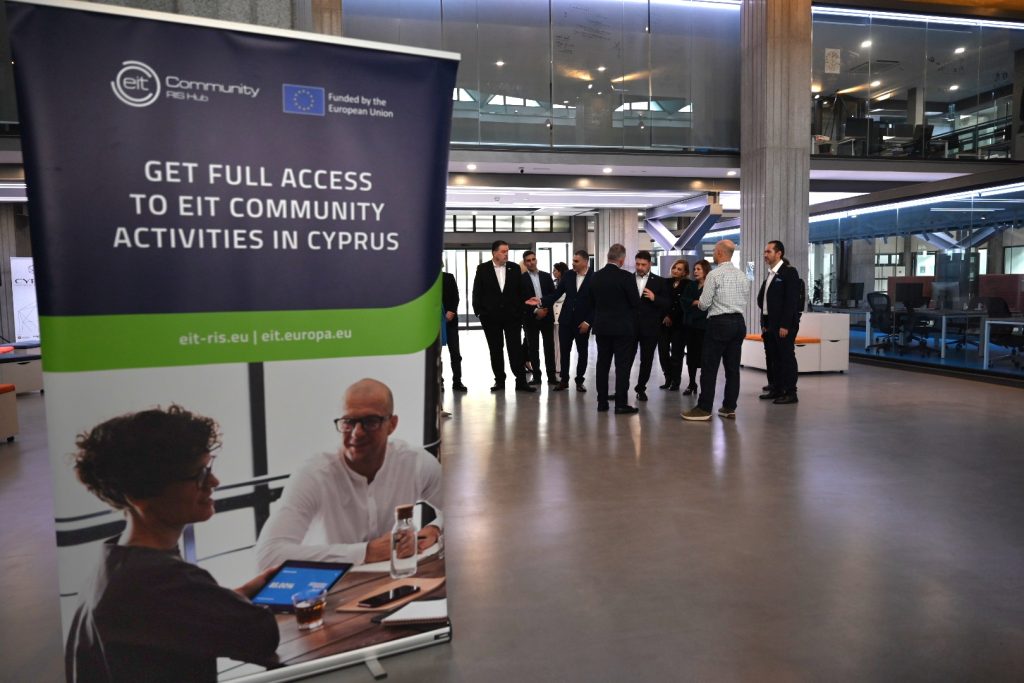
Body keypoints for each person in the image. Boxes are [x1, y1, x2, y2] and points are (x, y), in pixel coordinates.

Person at [65, 406, 279, 683]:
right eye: (198, 475)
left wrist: (236, 595)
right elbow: (261, 633)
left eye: (209, 468)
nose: (213, 482)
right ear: (140, 496)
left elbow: (165, 615)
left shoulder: (115, 561)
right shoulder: (158, 578)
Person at [256, 379, 443, 570]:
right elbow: (268, 557)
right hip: (328, 586)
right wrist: (366, 552)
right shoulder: (314, 475)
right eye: (348, 422)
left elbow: (459, 511)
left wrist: (436, 529)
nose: (357, 433)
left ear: (392, 424)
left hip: (395, 581)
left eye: (370, 422)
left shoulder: (415, 462)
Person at [682, 239, 750, 421]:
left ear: (720, 252)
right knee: (732, 369)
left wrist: (699, 303)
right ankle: (729, 407)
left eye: (714, 251)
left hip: (719, 323)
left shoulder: (714, 275)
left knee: (709, 367)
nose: (713, 253)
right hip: (739, 323)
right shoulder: (742, 275)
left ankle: (704, 408)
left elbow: (704, 304)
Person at [471, 240, 535, 392]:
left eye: (507, 251)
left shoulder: (514, 268)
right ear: (494, 253)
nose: (506, 254)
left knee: (515, 349)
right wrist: (479, 312)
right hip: (490, 318)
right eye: (503, 251)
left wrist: (522, 308)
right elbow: (477, 291)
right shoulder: (483, 269)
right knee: (495, 349)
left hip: (512, 317)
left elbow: (521, 291)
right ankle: (499, 381)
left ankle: (521, 381)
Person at [588, 243, 641, 414]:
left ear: (608, 257)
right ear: (622, 260)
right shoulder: (626, 277)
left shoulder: (595, 276)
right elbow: (635, 302)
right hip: (622, 328)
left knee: (602, 364)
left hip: (602, 327)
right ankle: (620, 404)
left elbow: (591, 302)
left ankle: (602, 402)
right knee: (622, 366)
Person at [534, 250, 594, 392]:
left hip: (582, 323)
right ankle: (564, 380)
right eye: (573, 260)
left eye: (576, 261)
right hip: (566, 320)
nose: (573, 263)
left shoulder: (595, 277)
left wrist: (588, 321)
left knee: (582, 352)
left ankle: (579, 381)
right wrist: (540, 301)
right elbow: (556, 294)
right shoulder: (568, 275)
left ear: (585, 262)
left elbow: (597, 303)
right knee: (564, 351)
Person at [757, 240, 802, 404]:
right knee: (774, 357)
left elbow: (791, 302)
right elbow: (764, 301)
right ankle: (776, 389)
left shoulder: (789, 272)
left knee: (786, 357)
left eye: (768, 251)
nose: (765, 255)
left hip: (783, 324)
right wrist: (764, 323)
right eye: (765, 252)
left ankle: (790, 392)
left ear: (779, 253)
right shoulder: (771, 274)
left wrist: (785, 325)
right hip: (769, 323)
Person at [632, 250, 669, 402]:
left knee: (646, 360)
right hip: (630, 327)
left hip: (650, 328)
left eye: (643, 264)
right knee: (625, 359)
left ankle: (641, 388)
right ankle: (621, 389)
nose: (640, 267)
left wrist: (655, 298)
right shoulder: (628, 279)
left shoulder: (660, 282)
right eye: (637, 264)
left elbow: (667, 303)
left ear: (650, 264)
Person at [520, 251, 558, 386]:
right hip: (530, 318)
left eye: (533, 259)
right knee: (533, 348)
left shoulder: (546, 276)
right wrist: (536, 310)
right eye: (528, 260)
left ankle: (552, 377)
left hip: (547, 316)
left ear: (536, 260)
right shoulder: (521, 279)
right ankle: (536, 377)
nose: (531, 262)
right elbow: (521, 299)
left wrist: (544, 309)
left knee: (549, 347)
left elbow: (553, 295)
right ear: (525, 263)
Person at [681, 259, 711, 395]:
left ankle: (705, 385)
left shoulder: (710, 286)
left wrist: (696, 304)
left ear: (706, 270)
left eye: (698, 269)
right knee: (691, 357)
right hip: (691, 326)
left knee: (704, 357)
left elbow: (708, 305)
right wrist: (695, 302)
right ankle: (692, 383)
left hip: (705, 327)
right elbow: (684, 301)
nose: (695, 272)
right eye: (694, 269)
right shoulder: (691, 285)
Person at [660, 259, 691, 390]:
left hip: (679, 324)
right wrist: (665, 316)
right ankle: (668, 377)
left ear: (685, 272)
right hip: (664, 323)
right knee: (663, 352)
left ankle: (675, 381)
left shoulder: (688, 284)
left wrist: (671, 316)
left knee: (676, 354)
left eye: (679, 269)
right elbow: (661, 301)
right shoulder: (666, 282)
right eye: (674, 268)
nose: (675, 271)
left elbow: (682, 304)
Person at [442, 270, 467, 392]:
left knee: (455, 352)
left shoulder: (448, 277)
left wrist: (452, 310)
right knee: (436, 354)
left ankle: (457, 381)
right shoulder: (426, 280)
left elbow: (455, 296)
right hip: (432, 323)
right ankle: (439, 382)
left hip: (450, 321)